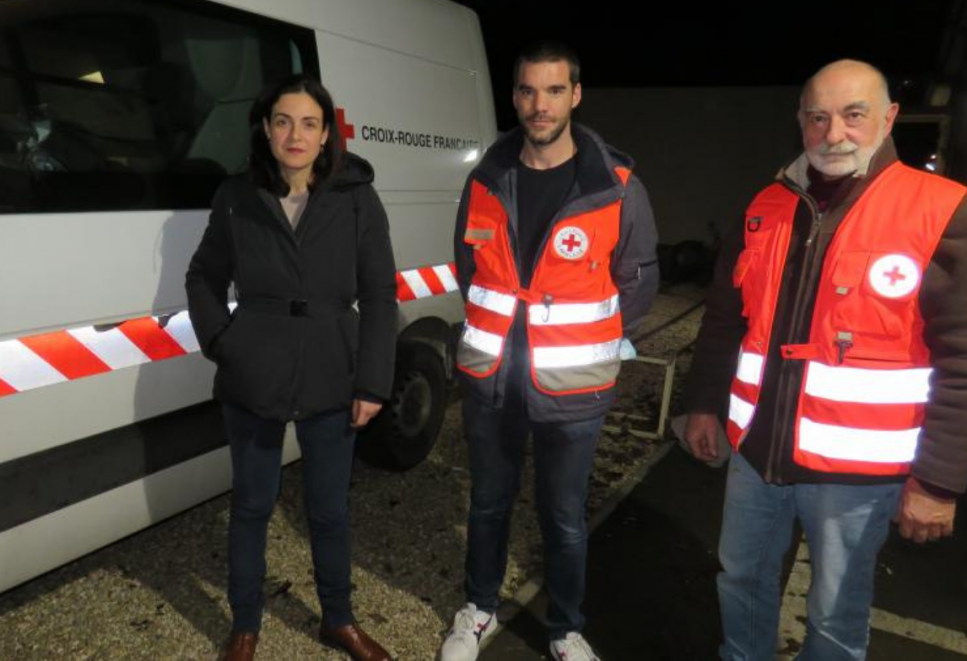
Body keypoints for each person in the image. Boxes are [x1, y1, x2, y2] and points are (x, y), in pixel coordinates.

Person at [683, 59, 967, 660]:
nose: (834, 132)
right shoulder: (765, 205)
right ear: (801, 123)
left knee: (836, 612)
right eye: (818, 117)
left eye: (853, 114)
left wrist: (938, 482)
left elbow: (963, 357)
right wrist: (704, 405)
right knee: (740, 581)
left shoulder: (940, 211)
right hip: (757, 454)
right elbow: (724, 321)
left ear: (889, 118)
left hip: (857, 478)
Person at [440, 41, 659, 661]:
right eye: (529, 91)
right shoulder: (485, 178)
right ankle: (477, 609)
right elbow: (468, 263)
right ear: (514, 97)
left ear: (576, 95)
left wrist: (596, 344)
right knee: (487, 504)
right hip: (490, 382)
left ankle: (566, 628)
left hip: (575, 387)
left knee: (563, 518)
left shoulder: (615, 185)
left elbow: (639, 280)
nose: (541, 105)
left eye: (555, 90)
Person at [185, 75, 396, 661]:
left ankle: (339, 619)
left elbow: (380, 294)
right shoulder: (237, 196)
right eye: (282, 121)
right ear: (266, 128)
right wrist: (225, 342)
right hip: (254, 376)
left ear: (327, 132)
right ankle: (245, 623)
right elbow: (202, 277)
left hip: (334, 371)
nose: (294, 134)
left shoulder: (356, 197)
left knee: (328, 509)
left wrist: (374, 381)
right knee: (252, 505)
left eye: (308, 123)